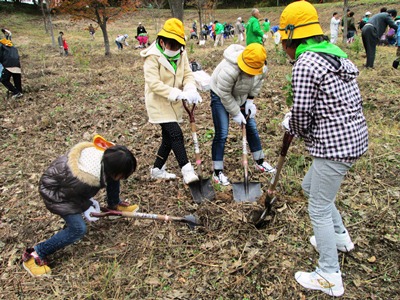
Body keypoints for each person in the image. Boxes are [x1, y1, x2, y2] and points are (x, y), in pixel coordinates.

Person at [278, 1, 368, 296]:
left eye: (283, 43)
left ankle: (329, 275)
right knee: (309, 187)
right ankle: (340, 237)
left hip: (334, 146)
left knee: (317, 206)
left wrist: (290, 124)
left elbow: (302, 116)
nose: (283, 50)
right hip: (352, 138)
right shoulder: (334, 57)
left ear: (292, 38)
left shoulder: (305, 63)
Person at [21, 140, 139, 277]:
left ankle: (114, 205)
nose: (123, 178)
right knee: (78, 229)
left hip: (68, 187)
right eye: (123, 175)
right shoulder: (85, 180)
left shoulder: (108, 157)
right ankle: (35, 254)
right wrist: (87, 206)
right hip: (56, 194)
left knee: (113, 178)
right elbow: (74, 198)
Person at [140, 18, 202, 184]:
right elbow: (153, 84)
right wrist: (175, 93)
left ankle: (157, 169)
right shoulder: (152, 57)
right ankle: (187, 170)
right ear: (162, 41)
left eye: (178, 47)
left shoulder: (181, 52)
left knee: (168, 138)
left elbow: (188, 73)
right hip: (158, 102)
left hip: (174, 104)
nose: (175, 50)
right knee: (176, 134)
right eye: (171, 46)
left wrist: (190, 88)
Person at [209, 43, 275, 185]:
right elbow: (224, 94)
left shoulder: (261, 68)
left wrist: (250, 100)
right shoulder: (229, 69)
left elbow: (257, 83)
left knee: (251, 126)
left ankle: (260, 162)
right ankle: (217, 172)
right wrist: (236, 113)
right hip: (220, 94)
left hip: (242, 95)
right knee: (222, 132)